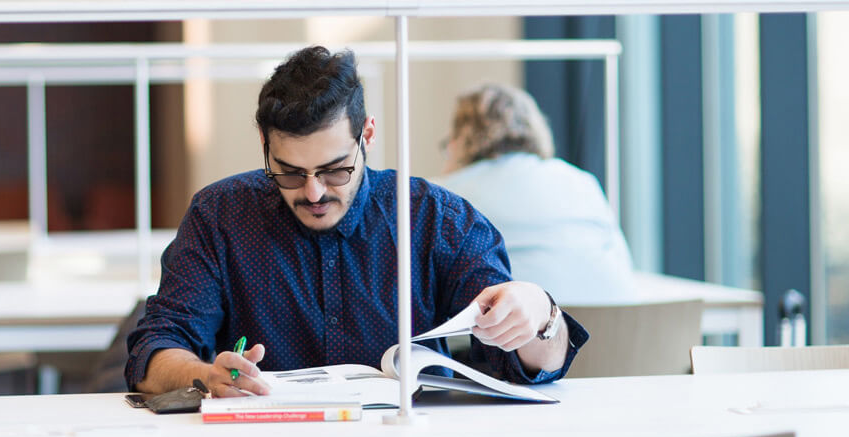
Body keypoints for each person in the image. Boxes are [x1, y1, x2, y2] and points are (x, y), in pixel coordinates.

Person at [126, 46, 588, 397]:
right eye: (289, 171)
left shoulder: (434, 218)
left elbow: (528, 366)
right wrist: (205, 376)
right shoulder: (220, 215)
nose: (313, 192)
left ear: (366, 133)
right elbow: (156, 348)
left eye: (334, 169)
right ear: (264, 142)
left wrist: (538, 313)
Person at [434, 84, 637, 305]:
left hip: (524, 333)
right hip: (622, 329)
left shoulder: (445, 198)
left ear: (459, 142)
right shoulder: (582, 181)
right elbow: (623, 264)